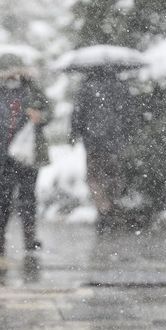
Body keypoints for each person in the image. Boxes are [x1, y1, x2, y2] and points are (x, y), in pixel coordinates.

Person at [0, 54, 51, 256]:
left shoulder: (32, 89)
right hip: (0, 154)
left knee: (28, 197)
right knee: (1, 198)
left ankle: (29, 237)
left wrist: (40, 116)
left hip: (27, 154)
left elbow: (49, 110)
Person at [70, 68, 133, 233]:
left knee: (94, 176)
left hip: (93, 141)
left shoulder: (86, 87)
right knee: (113, 175)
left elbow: (77, 113)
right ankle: (110, 206)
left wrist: (74, 133)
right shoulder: (120, 86)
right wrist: (125, 133)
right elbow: (128, 113)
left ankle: (102, 208)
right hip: (114, 141)